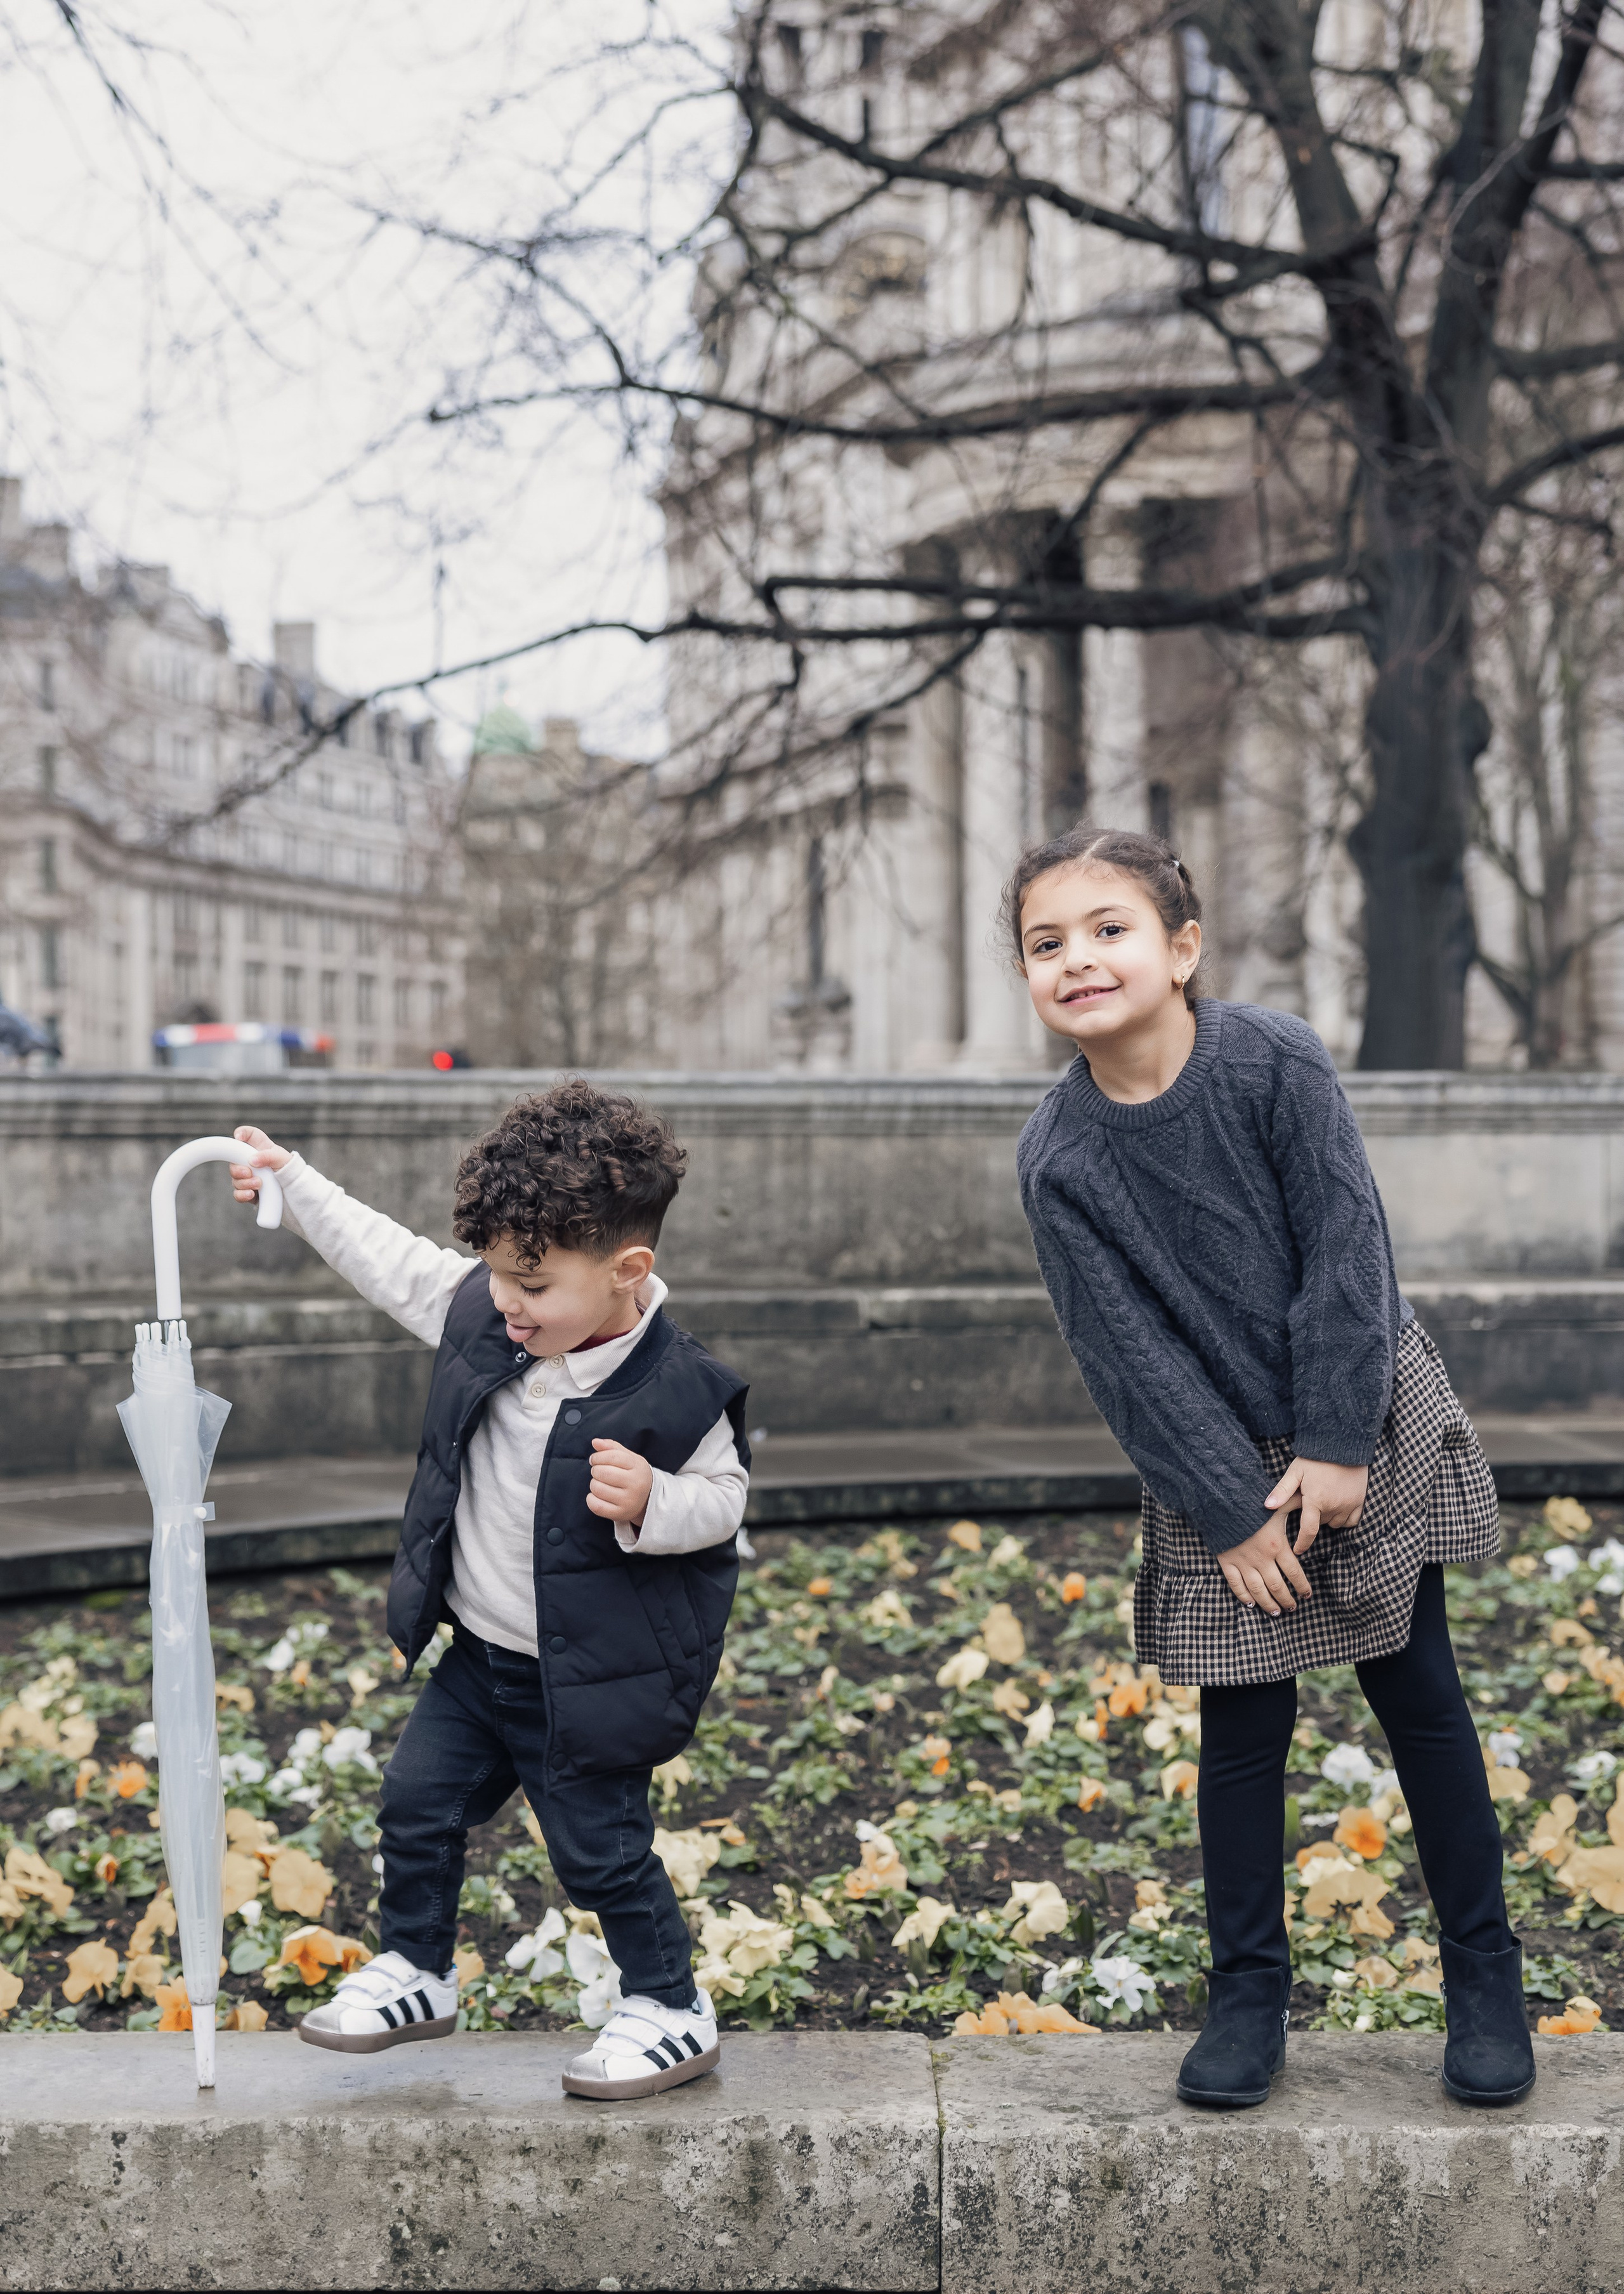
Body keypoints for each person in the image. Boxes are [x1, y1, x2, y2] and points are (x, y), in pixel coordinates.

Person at [1009, 827, 1529, 2111]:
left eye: (1109, 929)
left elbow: (1348, 1250)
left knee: (1421, 1697)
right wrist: (1229, 1514)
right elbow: (1125, 1357)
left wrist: (1337, 1445)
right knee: (1241, 1732)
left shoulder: (1273, 1060)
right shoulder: (1059, 1156)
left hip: (1356, 1411)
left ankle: (1485, 1979)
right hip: (1214, 1468)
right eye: (1045, 942)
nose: (1078, 958)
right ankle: (1246, 1994)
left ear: (1181, 948)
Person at [228, 1078, 749, 2099]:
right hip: (480, 1657)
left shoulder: (682, 1388)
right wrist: (295, 1186)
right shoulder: (489, 1310)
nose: (508, 1301)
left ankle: (672, 2006)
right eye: (498, 1273)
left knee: (602, 1853)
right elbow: (388, 1258)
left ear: (627, 1271)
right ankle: (418, 1970)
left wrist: (656, 1501)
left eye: (534, 1283)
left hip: (589, 1680)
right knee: (416, 1803)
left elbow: (725, 1502)